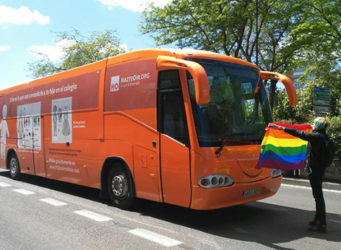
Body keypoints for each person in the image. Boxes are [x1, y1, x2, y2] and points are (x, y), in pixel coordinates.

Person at [269, 117, 330, 233]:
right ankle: (318, 219)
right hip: (319, 169)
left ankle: (322, 224)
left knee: (318, 197)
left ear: (317, 126)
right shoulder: (324, 136)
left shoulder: (316, 137)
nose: (312, 125)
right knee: (318, 196)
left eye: (314, 124)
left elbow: (298, 133)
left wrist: (279, 127)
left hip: (316, 171)